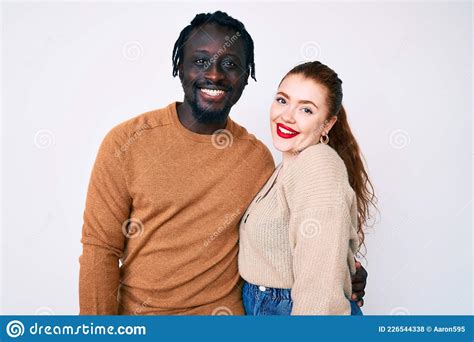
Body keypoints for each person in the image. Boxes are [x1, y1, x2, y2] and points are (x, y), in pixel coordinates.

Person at [79, 11, 368, 315]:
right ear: (180, 66)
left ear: (246, 76)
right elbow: (100, 249)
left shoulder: (257, 158)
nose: (215, 74)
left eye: (230, 64)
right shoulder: (127, 141)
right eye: (200, 61)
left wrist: (341, 273)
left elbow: (293, 238)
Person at [239, 61, 376, 315]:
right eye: (282, 100)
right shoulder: (285, 169)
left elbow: (320, 287)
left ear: (327, 124)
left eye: (306, 110)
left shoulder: (318, 163)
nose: (287, 115)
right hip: (267, 306)